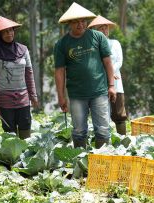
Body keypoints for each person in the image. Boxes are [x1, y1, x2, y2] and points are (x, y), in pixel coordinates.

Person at [54, 3, 116, 149]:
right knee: (79, 130)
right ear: (69, 23)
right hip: (76, 94)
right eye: (76, 21)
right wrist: (61, 96)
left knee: (103, 129)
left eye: (83, 21)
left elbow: (108, 62)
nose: (80, 24)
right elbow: (59, 71)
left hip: (99, 92)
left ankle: (103, 162)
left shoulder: (98, 37)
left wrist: (112, 86)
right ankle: (80, 162)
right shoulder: (62, 44)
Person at [0, 16, 38, 139]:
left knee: (26, 127)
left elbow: (29, 74)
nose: (9, 33)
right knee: (10, 132)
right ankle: (13, 159)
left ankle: (26, 157)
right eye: (5, 31)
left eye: (11, 30)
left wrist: (33, 96)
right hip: (5, 100)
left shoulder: (23, 50)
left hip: (23, 98)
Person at [88, 15, 127, 135]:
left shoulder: (115, 43)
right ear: (95, 30)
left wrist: (110, 72)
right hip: (99, 84)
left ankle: (122, 142)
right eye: (101, 28)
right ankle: (104, 142)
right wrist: (105, 74)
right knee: (102, 115)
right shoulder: (91, 47)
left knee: (119, 113)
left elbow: (119, 61)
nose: (105, 31)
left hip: (116, 83)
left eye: (106, 28)